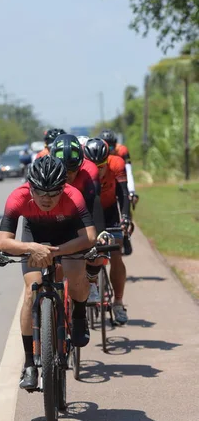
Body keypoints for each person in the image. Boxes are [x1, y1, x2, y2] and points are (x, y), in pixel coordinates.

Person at [0, 155, 97, 390]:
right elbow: (3, 242)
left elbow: (89, 236)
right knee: (31, 292)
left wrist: (57, 251)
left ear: (64, 187)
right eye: (40, 192)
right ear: (30, 186)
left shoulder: (74, 196)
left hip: (67, 237)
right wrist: (32, 248)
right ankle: (30, 364)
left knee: (75, 277)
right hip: (34, 238)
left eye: (53, 193)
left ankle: (79, 315)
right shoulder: (17, 197)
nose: (47, 199)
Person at [50, 134, 110, 304]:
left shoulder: (89, 170)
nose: (68, 176)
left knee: (97, 248)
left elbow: (94, 203)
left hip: (82, 213)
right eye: (64, 171)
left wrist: (99, 233)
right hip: (56, 216)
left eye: (72, 171)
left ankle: (90, 283)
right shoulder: (46, 169)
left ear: (80, 165)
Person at [85, 138, 131, 325]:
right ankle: (92, 282)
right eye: (94, 166)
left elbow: (123, 194)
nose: (98, 170)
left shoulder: (117, 164)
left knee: (116, 253)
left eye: (102, 166)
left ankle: (118, 303)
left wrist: (125, 218)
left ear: (108, 160)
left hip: (110, 210)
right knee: (87, 250)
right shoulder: (82, 171)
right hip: (89, 211)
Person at [99, 129, 139, 207]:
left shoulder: (122, 150)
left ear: (115, 145)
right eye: (105, 147)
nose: (108, 151)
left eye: (110, 147)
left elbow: (128, 171)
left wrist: (131, 191)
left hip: (120, 177)